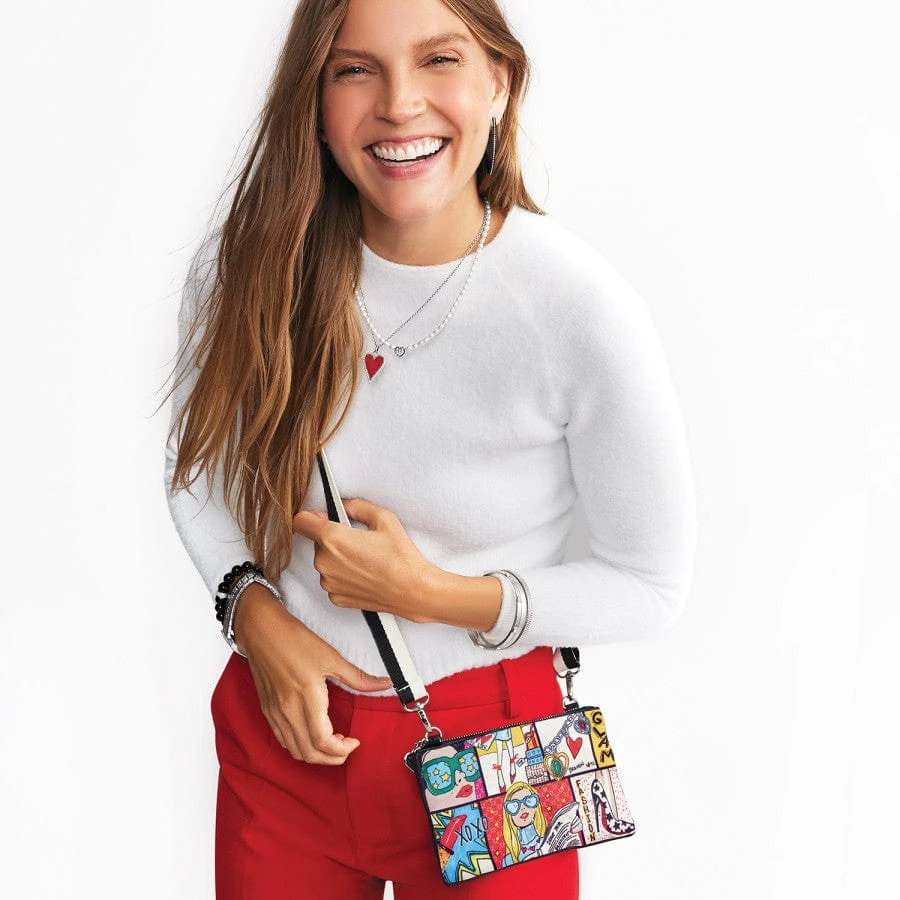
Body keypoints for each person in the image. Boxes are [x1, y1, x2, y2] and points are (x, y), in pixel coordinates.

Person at [162, 0, 697, 896]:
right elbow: (198, 468)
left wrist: (427, 593)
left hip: (501, 747)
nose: (399, 103)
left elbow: (650, 585)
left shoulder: (577, 307)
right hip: (287, 725)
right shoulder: (246, 270)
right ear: (315, 100)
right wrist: (252, 612)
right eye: (354, 69)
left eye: (439, 60)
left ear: (500, 82)